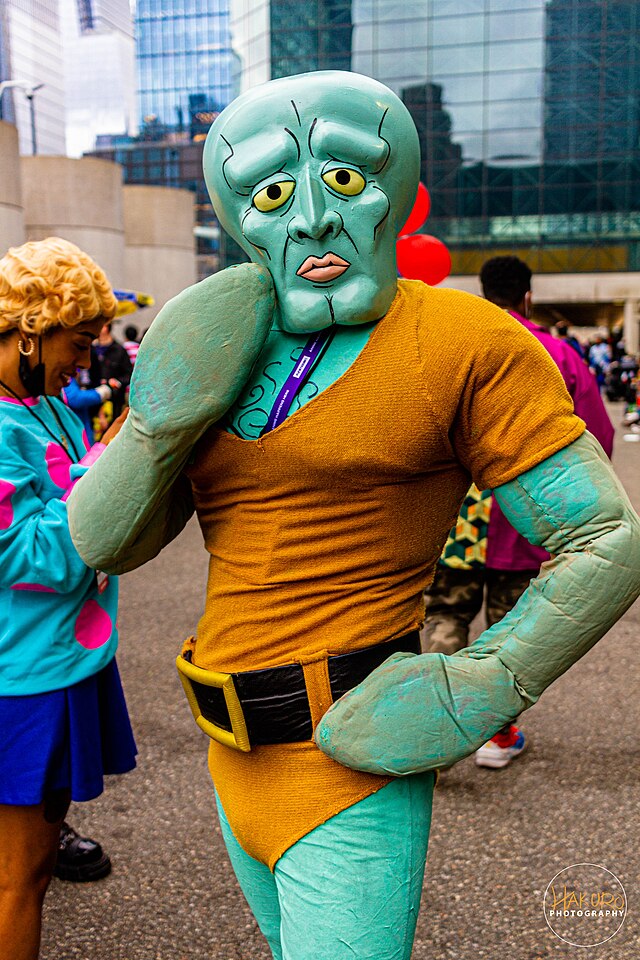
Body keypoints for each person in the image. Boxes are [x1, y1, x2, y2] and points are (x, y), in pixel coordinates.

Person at [67, 73, 640, 960]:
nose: (310, 218)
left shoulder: (464, 341)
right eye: (270, 190)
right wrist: (154, 427)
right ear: (238, 216)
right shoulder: (225, 336)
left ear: (402, 192)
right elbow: (106, 541)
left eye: (341, 179)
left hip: (351, 760)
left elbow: (603, 536)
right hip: (228, 751)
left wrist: (486, 679)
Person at [0, 237, 137, 960]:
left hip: (61, 661)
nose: (87, 358)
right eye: (79, 341)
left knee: (37, 866)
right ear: (30, 328)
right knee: (17, 879)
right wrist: (106, 473)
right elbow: (20, 553)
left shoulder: (48, 407)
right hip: (20, 679)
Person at [424, 255, 615, 768]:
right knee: (511, 636)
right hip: (526, 524)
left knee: (444, 619)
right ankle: (497, 736)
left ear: (485, 293)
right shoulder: (560, 354)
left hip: (457, 524)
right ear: (527, 297)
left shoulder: (454, 346)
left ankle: (432, 736)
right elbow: (597, 437)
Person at [90, 320, 132, 419]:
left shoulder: (119, 350)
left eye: (102, 326)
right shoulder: (92, 349)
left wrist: (117, 382)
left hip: (113, 400)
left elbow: (129, 374)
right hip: (93, 398)